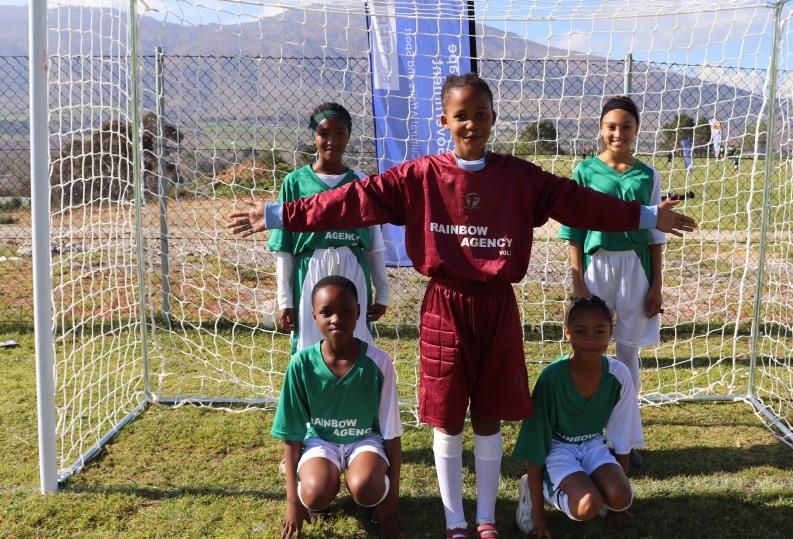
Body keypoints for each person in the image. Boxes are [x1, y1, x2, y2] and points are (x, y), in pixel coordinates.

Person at [227, 73, 696, 539]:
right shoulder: (421, 176)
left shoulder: (519, 177)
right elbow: (351, 200)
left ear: (493, 118)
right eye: (461, 116)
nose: (471, 123)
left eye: (480, 114)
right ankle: (456, 522)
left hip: (496, 305)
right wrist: (276, 213)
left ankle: (486, 518)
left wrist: (649, 214)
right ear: (445, 121)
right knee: (448, 417)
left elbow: (579, 203)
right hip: (444, 305)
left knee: (488, 414)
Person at [560, 96, 664, 467]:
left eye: (626, 126)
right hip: (596, 267)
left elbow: (655, 233)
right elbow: (573, 230)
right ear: (601, 130)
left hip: (635, 270)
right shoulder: (585, 172)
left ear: (637, 130)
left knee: (628, 353)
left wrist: (657, 285)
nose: (618, 133)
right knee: (589, 350)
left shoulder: (648, 175)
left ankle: (624, 441)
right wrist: (578, 282)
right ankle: (584, 432)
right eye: (611, 126)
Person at [271, 276, 402, 539]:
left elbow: (391, 433)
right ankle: (318, 495)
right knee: (314, 493)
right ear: (313, 316)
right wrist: (293, 504)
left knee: (367, 488)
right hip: (320, 441)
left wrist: (392, 499)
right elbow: (292, 435)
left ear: (358, 313)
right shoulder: (301, 364)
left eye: (345, 311)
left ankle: (375, 489)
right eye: (326, 312)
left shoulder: (379, 362)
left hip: (365, 440)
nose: (336, 319)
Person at [513, 296, 641, 537]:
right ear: (567, 332)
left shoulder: (619, 374)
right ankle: (534, 488)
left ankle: (589, 486)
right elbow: (536, 443)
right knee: (587, 506)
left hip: (593, 443)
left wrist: (617, 504)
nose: (591, 340)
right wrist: (538, 515)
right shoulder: (552, 378)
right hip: (557, 448)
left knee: (623, 497)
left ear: (610, 333)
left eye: (599, 331)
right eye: (581, 331)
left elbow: (623, 432)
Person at [268, 102, 390, 353]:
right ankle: (309, 393)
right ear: (313, 137)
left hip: (352, 267)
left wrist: (383, 293)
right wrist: (284, 301)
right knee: (309, 348)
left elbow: (374, 245)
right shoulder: (294, 183)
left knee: (356, 346)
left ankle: (356, 392)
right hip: (310, 270)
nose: (331, 140)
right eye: (323, 133)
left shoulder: (361, 182)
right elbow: (284, 250)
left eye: (339, 133)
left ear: (349, 136)